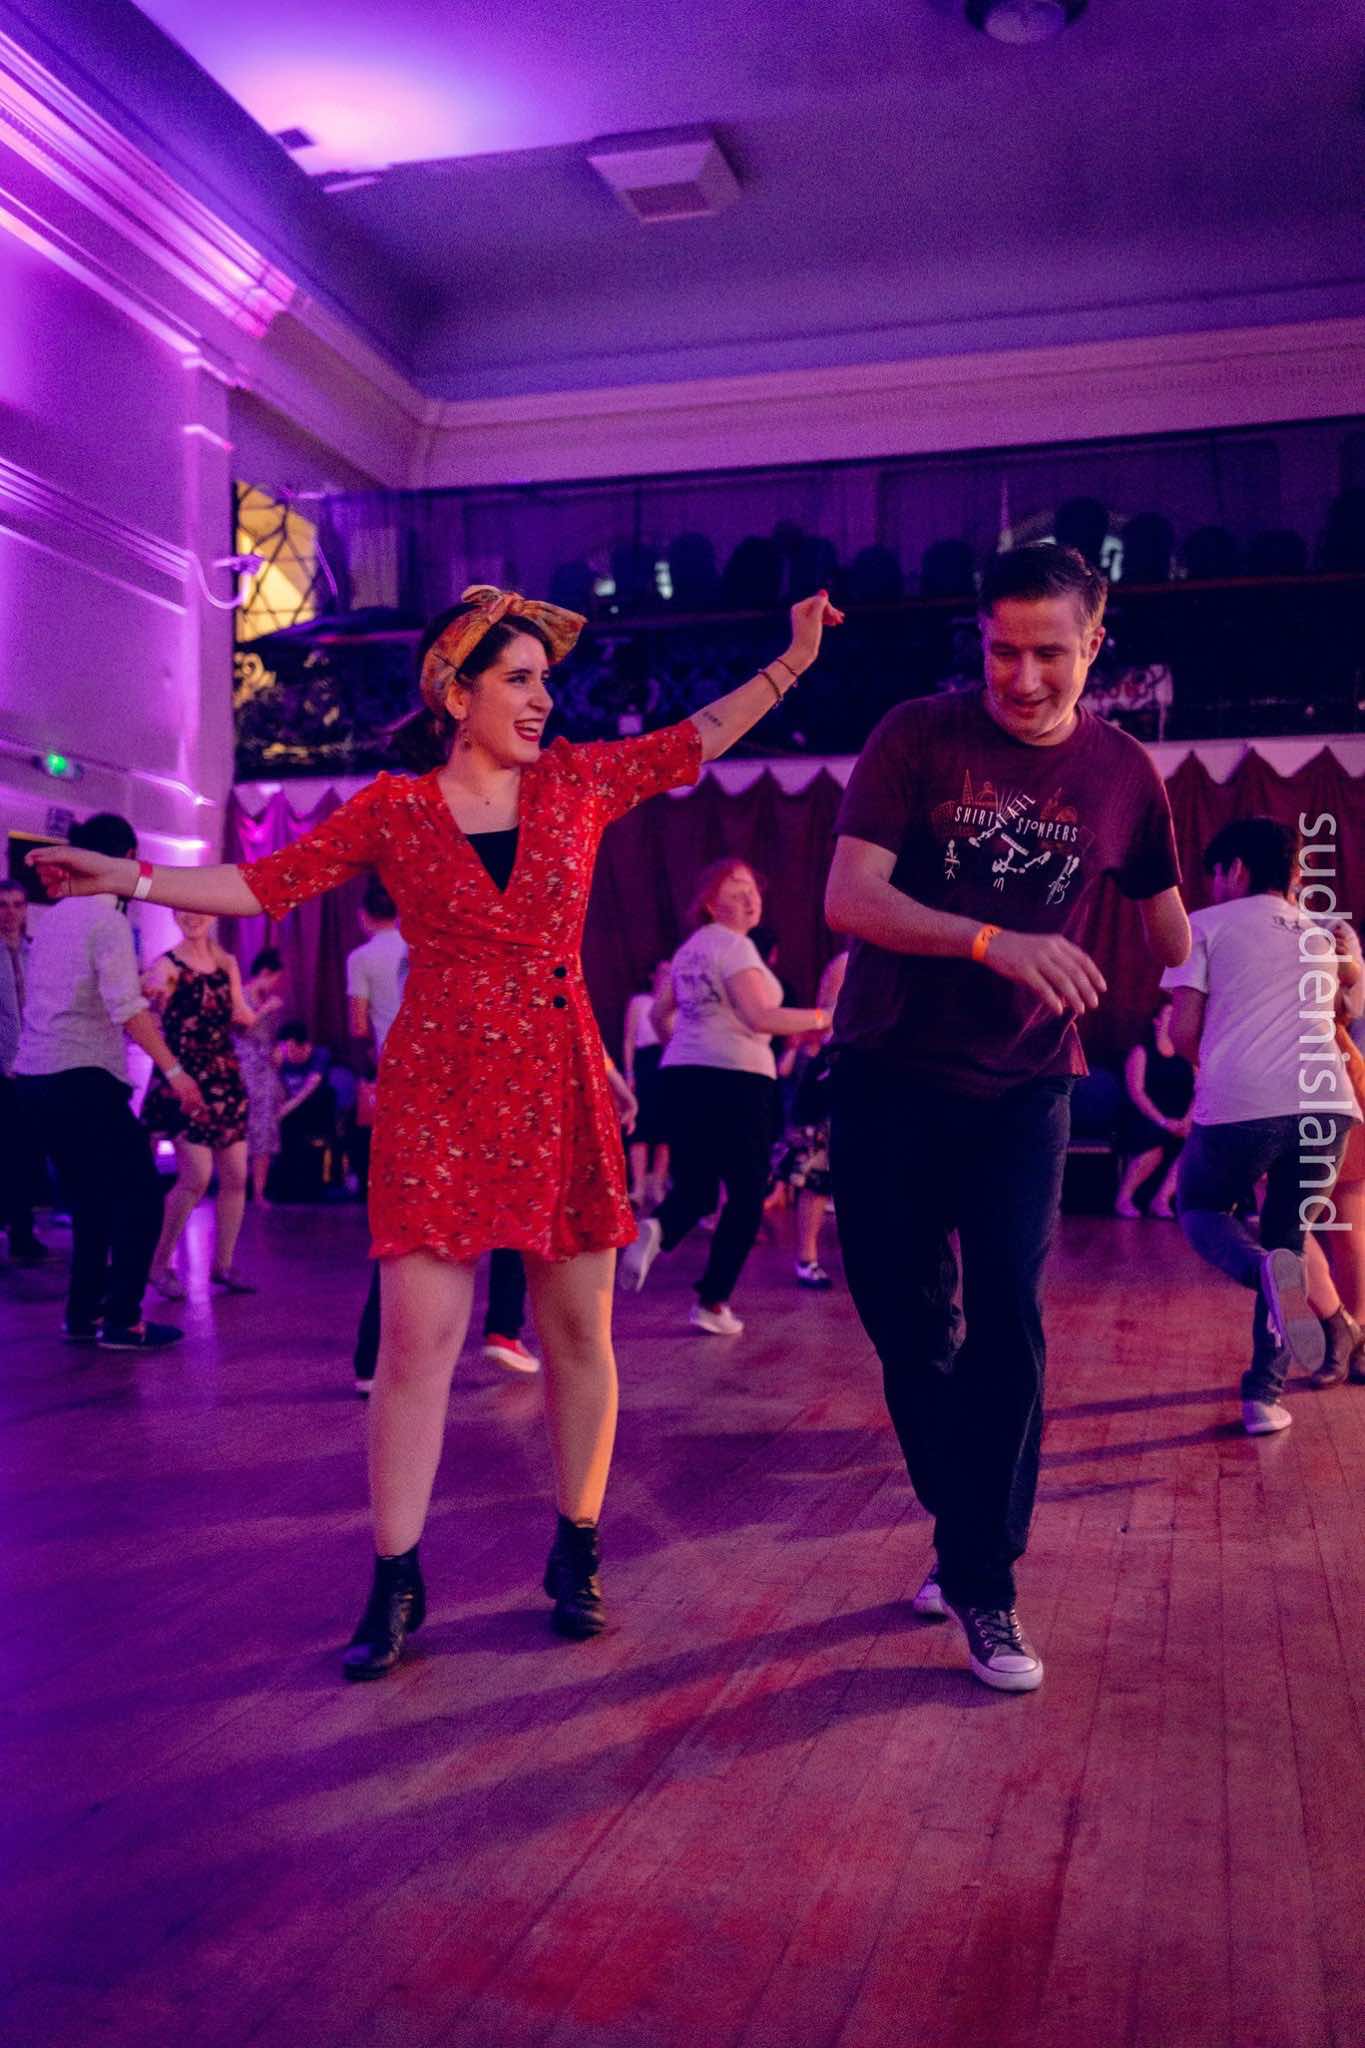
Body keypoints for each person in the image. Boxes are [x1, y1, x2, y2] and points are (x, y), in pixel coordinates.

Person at [31, 581, 842, 1677]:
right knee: (416, 1343)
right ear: (457, 695)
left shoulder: (577, 783)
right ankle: (396, 1576)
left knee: (577, 1335)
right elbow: (262, 882)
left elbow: (697, 736)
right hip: (440, 1091)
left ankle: (577, 1544)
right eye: (519, 679)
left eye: (546, 681)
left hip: (555, 1080)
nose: (543, 699)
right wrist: (128, 875)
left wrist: (792, 661)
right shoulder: (396, 810)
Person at [825, 541, 1190, 1693]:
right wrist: (993, 939)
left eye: (1048, 653)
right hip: (887, 1068)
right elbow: (850, 898)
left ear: (1095, 646)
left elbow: (1171, 929)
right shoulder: (917, 736)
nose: (1022, 678)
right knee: (907, 1324)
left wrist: (1221, 957)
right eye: (1001, 651)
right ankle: (966, 1522)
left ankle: (985, 1579)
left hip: (1025, 1084)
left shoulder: (1124, 771)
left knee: (1010, 1322)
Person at [1163, 820, 1360, 1432]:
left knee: (1199, 1206)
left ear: (1237, 868)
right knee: (1288, 1242)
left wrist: (1214, 1066)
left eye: (1217, 873)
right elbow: (1343, 1009)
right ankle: (1262, 1399)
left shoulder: (1203, 925)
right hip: (1329, 1107)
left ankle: (1263, 1277)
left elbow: (1183, 1033)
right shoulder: (1322, 937)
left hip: (1245, 1102)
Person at [15, 813, 205, 1348]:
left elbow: (75, 997)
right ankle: (123, 1319)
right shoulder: (108, 920)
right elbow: (125, 1009)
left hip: (36, 1078)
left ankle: (83, 1315)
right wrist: (175, 1071)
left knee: (91, 1201)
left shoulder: (53, 918)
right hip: (82, 1077)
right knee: (142, 1196)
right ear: (122, 860)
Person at [620, 859, 831, 1334]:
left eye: (753, 889)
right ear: (711, 905)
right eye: (736, 891)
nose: (750, 899)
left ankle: (658, 1228)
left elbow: (658, 1017)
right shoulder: (735, 948)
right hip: (737, 1080)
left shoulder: (689, 951)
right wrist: (827, 1017)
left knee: (696, 1188)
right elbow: (760, 1018)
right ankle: (712, 1303)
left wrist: (689, 1046)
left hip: (683, 1075)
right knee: (747, 1192)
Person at [141, 911, 263, 1296]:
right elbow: (150, 1005)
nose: (192, 917)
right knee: (196, 1176)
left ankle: (223, 1265)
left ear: (211, 914)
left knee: (236, 1176)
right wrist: (151, 996)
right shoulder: (167, 965)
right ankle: (158, 1264)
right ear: (174, 915)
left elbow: (241, 1015)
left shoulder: (227, 963)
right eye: (183, 910)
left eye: (198, 910)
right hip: (185, 1079)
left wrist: (254, 1014)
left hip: (224, 1077)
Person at [777, 950, 848, 1288]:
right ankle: (807, 1259)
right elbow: (828, 1014)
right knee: (816, 1177)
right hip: (833, 1081)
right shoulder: (846, 962)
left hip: (865, 1080)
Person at [0, 876, 48, 1263]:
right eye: (3, 905)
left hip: (32, 1066)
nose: (10, 913)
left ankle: (22, 1234)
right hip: (2, 1066)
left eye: (18, 904)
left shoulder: (37, 952)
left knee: (25, 1153)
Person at [1113, 996, 1195, 1217]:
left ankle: (1161, 1199)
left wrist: (1186, 1120)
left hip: (1179, 1120)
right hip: (1146, 1117)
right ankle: (1124, 1198)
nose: (1174, 1018)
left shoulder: (1187, 1056)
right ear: (1156, 1021)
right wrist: (1163, 1121)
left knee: (1196, 1144)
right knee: (1154, 1142)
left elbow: (1200, 1091)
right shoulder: (1141, 1052)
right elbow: (1136, 1092)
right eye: (1168, 1014)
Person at [236, 947, 287, 1203]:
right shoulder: (240, 995)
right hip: (243, 1067)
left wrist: (278, 1051)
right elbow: (241, 1028)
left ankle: (259, 1192)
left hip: (265, 1069)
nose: (275, 984)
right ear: (265, 973)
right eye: (275, 978)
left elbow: (271, 1036)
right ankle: (236, 1189)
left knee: (264, 1129)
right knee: (240, 1129)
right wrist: (265, 1009)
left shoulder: (269, 1001)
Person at [622, 961, 671, 1209]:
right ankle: (639, 1187)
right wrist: (629, 1073)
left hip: (668, 1064)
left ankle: (657, 1185)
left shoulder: (679, 1005)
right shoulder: (640, 1002)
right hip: (645, 1065)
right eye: (663, 972)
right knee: (640, 1126)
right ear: (653, 975)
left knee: (666, 1128)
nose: (667, 977)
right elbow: (629, 1039)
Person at [272, 1022, 335, 1200]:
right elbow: (278, 1088)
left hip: (313, 1110)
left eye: (290, 1049)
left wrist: (284, 1111)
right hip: (289, 1110)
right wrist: (274, 1066)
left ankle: (310, 1189)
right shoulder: (281, 1059)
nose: (287, 1054)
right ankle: (285, 1188)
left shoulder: (320, 1055)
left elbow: (309, 1088)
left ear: (305, 1045)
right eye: (284, 1050)